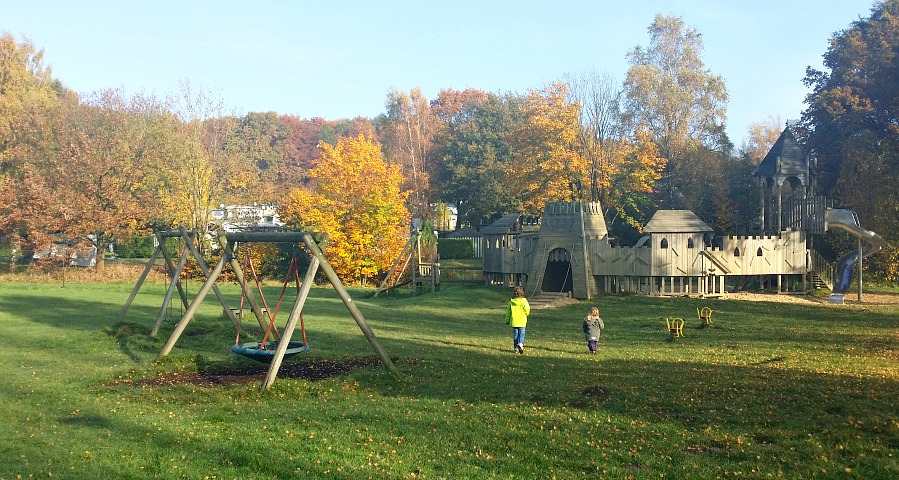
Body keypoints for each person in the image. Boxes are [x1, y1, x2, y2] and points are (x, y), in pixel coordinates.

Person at [506, 286, 531, 354]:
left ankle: (515, 349)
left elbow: (508, 312)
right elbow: (527, 309)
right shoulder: (524, 301)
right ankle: (520, 344)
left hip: (514, 321)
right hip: (522, 321)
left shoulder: (511, 302)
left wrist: (507, 320)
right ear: (522, 293)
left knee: (516, 335)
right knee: (522, 334)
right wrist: (527, 314)